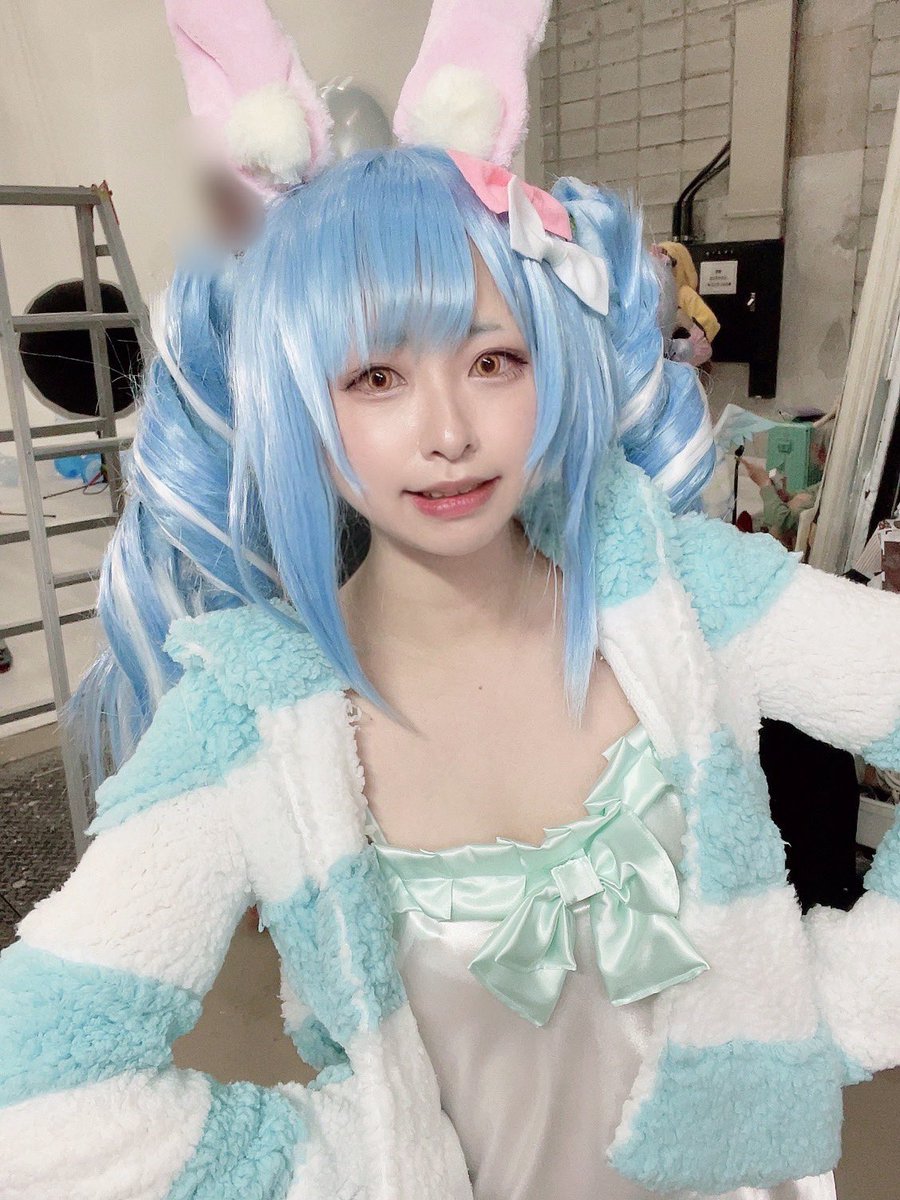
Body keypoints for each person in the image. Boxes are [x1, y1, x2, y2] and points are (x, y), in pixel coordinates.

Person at [2, 4, 900, 1199]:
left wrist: (825, 1009)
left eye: (492, 360)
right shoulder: (254, 716)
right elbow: (35, 1096)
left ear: (551, 368)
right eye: (375, 375)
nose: (446, 432)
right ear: (300, 408)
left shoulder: (676, 598)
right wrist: (338, 1163)